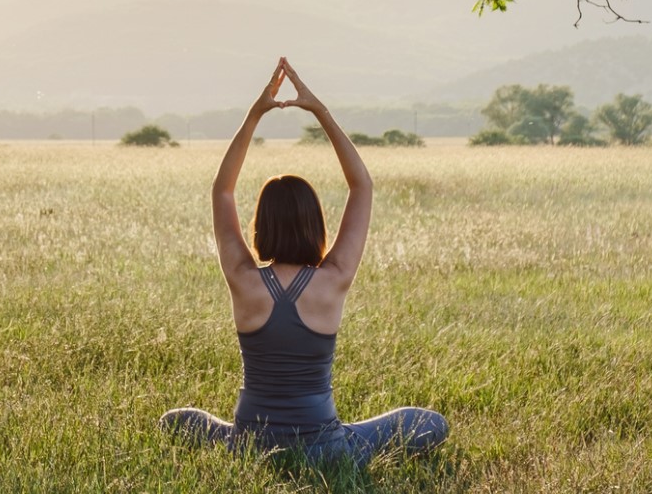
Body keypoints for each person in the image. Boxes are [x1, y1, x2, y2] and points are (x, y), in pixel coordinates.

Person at [160, 58, 448, 468]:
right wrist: (319, 111)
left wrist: (255, 114)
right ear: (316, 224)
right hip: (326, 451)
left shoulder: (242, 279)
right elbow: (361, 185)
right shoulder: (334, 278)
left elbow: (222, 191)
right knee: (430, 422)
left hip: (249, 446)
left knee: (176, 421)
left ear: (261, 226)